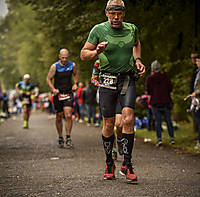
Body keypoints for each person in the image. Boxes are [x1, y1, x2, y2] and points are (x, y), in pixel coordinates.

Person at [81, 0, 145, 183]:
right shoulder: (98, 30)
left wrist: (138, 60)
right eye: (112, 14)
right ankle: (109, 162)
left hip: (127, 79)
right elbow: (83, 53)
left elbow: (136, 44)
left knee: (128, 118)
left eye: (119, 14)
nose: (116, 17)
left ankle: (128, 164)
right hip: (107, 80)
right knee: (109, 124)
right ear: (106, 13)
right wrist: (96, 52)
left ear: (123, 13)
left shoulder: (132, 29)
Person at [46, 48, 78, 148]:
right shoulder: (54, 66)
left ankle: (68, 137)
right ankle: (60, 137)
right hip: (58, 93)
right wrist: (53, 89)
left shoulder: (72, 65)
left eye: (66, 58)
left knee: (68, 115)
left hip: (68, 92)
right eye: (63, 57)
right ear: (59, 56)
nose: (64, 60)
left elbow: (75, 74)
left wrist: (75, 83)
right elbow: (48, 79)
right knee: (59, 116)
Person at [146, 60, 175, 147]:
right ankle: (172, 138)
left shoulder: (149, 78)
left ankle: (159, 139)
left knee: (157, 121)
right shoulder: (165, 77)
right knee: (168, 121)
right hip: (166, 101)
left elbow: (148, 91)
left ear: (152, 69)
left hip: (155, 102)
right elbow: (170, 88)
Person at [185, 56, 200, 149]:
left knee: (198, 119)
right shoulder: (197, 72)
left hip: (198, 98)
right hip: (196, 99)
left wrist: (196, 93)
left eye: (198, 61)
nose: (197, 62)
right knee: (197, 118)